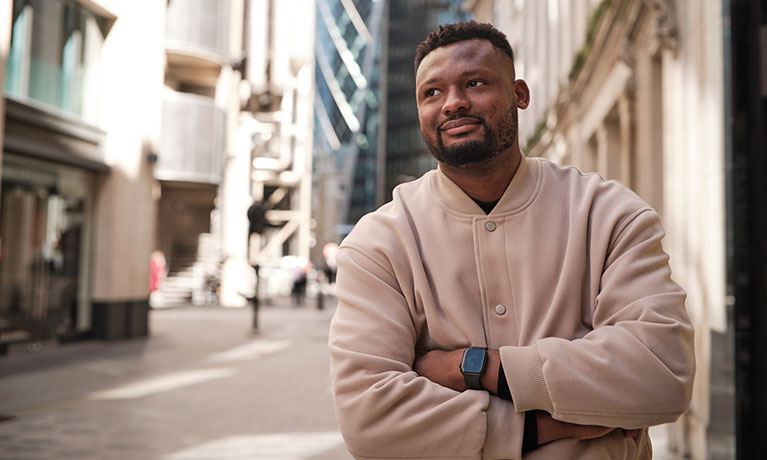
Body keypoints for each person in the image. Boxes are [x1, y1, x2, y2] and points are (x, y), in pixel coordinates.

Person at [328, 21, 695, 460]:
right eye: (432, 92)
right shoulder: (378, 243)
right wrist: (537, 428)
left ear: (520, 94)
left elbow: (662, 374)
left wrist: (474, 367)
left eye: (475, 83)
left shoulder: (609, 213)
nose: (453, 103)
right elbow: (369, 419)